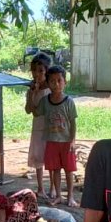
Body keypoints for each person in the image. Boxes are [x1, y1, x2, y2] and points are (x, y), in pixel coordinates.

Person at [38, 64, 78, 205]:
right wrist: (34, 92)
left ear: (65, 82)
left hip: (66, 141)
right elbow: (35, 112)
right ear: (48, 83)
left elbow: (73, 123)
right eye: (52, 81)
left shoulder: (69, 102)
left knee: (68, 170)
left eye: (59, 80)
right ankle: (59, 195)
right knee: (55, 170)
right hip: (51, 141)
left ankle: (70, 196)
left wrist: (72, 141)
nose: (56, 84)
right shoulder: (45, 101)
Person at [24, 51, 51, 199]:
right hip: (38, 129)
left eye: (40, 71)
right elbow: (29, 110)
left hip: (51, 128)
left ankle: (54, 188)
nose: (36, 74)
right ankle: (41, 188)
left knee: (52, 158)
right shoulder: (32, 90)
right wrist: (32, 95)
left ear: (47, 71)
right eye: (34, 70)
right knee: (39, 157)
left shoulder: (51, 90)